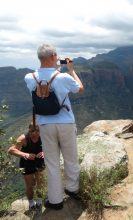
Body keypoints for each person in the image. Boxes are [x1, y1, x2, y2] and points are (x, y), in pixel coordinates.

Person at [24, 43, 84, 210]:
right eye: (56, 56)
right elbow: (80, 88)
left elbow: (42, 80)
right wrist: (71, 70)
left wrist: (53, 66)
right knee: (71, 158)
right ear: (52, 57)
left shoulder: (30, 77)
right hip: (65, 124)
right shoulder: (63, 77)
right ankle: (72, 189)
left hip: (45, 126)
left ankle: (55, 201)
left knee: (52, 163)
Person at [8, 123, 45, 210]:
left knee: (40, 183)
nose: (35, 133)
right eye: (32, 131)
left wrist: (45, 152)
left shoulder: (44, 136)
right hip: (26, 164)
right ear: (29, 130)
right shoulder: (23, 138)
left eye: (37, 130)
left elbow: (53, 146)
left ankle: (39, 201)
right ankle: (31, 203)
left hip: (39, 162)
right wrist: (25, 154)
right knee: (30, 185)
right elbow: (11, 150)